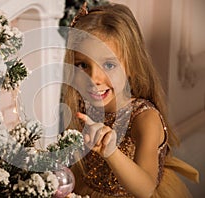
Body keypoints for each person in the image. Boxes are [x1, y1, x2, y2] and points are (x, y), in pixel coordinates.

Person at [60, 2, 199, 198]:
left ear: (132, 66)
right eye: (82, 65)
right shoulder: (82, 106)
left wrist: (110, 152)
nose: (93, 79)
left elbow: (146, 189)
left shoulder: (144, 118)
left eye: (109, 65)